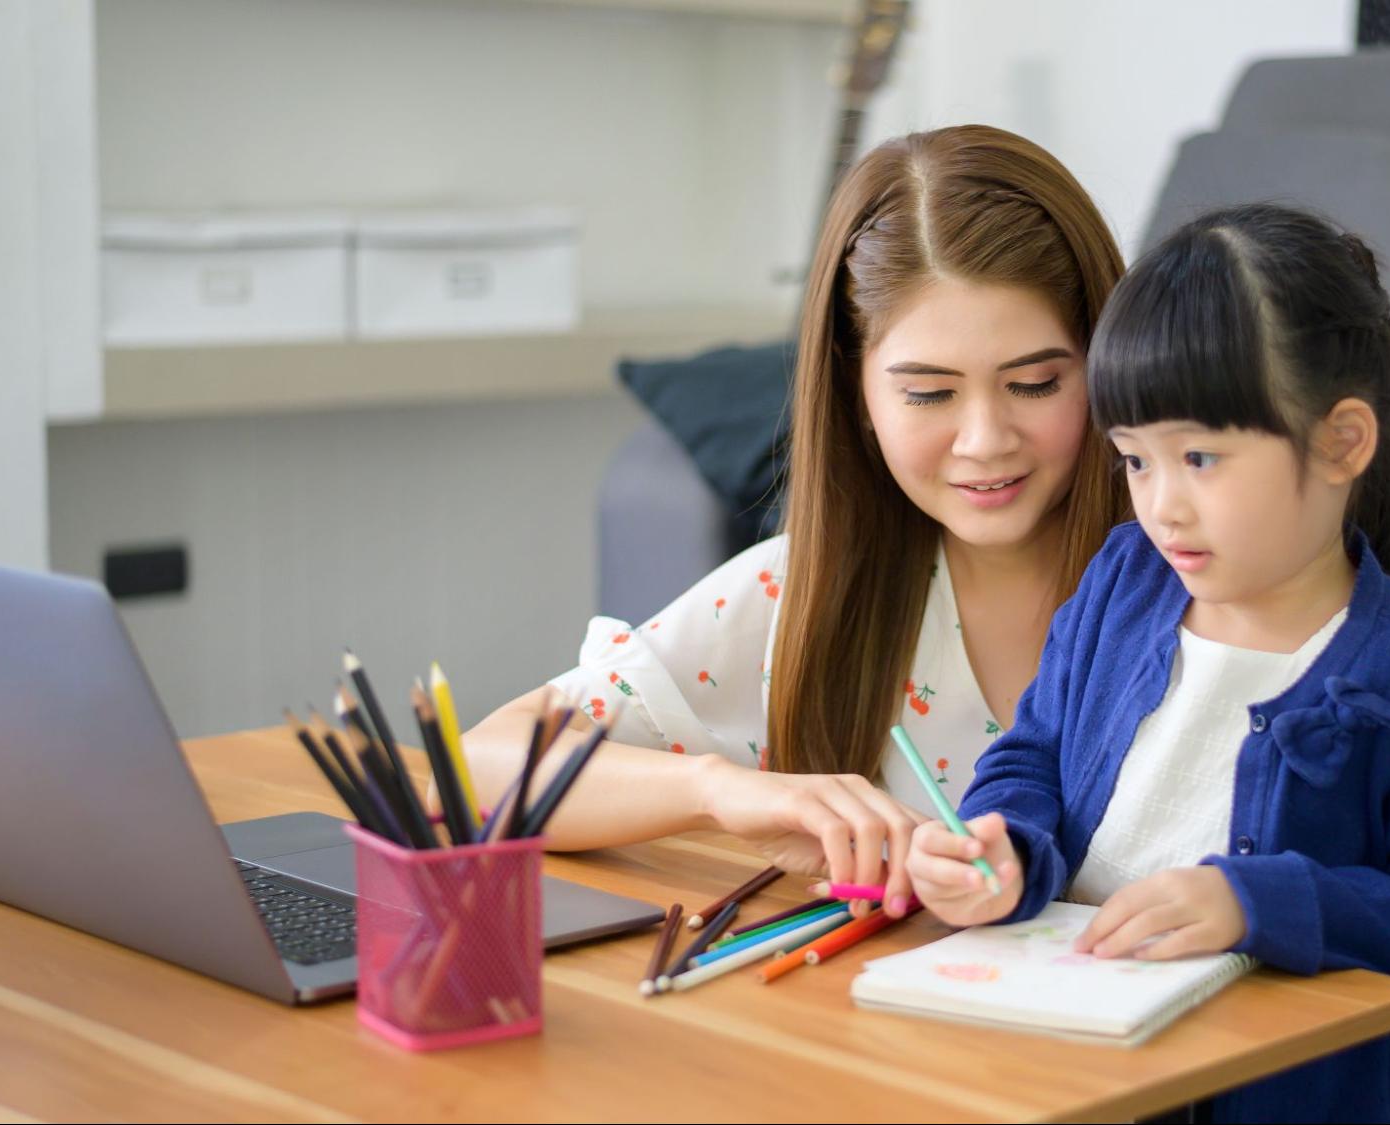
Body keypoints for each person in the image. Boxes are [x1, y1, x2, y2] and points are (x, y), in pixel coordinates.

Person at [909, 204, 1390, 1122]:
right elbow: (1031, 753)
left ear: (1342, 440)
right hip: (1089, 1053)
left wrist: (1254, 901)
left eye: (1199, 457)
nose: (1162, 507)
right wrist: (1004, 840)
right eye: (1134, 462)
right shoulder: (1123, 580)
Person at [461, 125, 1127, 917]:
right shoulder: (801, 588)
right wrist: (719, 790)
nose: (983, 441)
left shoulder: (1200, 571)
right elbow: (476, 770)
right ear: (859, 397)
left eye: (1034, 383)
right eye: (927, 394)